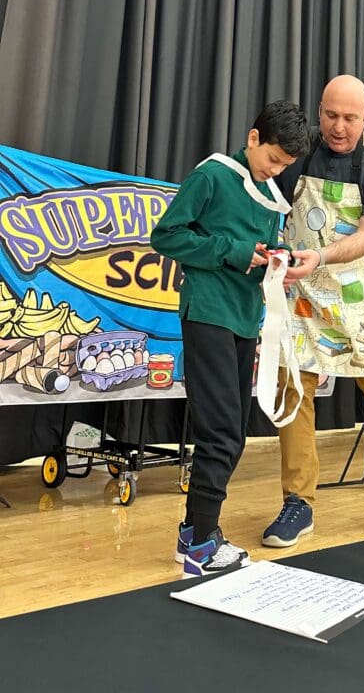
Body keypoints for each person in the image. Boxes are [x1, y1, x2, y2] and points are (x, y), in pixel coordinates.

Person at [259, 75, 364, 547]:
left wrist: (322, 255)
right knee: (294, 391)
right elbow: (264, 192)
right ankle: (298, 503)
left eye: (350, 119)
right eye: (331, 116)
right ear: (319, 111)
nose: (339, 128)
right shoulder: (301, 151)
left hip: (357, 292)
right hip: (300, 292)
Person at [151, 100, 311, 576]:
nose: (276, 171)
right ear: (253, 138)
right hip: (209, 312)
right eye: (274, 160)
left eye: (285, 166)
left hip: (245, 318)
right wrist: (234, 251)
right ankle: (201, 544)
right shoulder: (214, 176)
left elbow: (259, 250)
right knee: (220, 434)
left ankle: (193, 533)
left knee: (234, 434)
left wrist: (279, 260)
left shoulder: (270, 196)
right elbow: (167, 236)